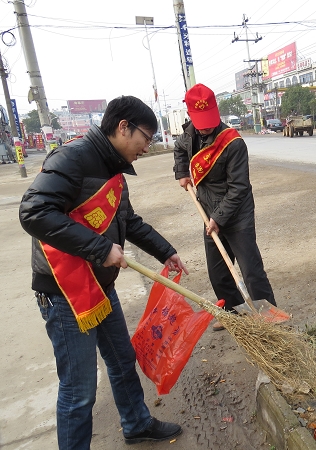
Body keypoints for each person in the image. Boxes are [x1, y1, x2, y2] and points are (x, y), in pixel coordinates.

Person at [19, 95, 188, 449]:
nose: (148, 146)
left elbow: (127, 221)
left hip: (102, 284)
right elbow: (34, 212)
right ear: (123, 127)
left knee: (123, 361)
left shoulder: (113, 166)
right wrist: (99, 248)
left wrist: (166, 252)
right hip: (65, 293)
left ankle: (137, 423)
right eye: (146, 136)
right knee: (79, 390)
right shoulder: (72, 158)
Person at [172, 83, 276, 331]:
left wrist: (218, 217)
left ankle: (271, 321)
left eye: (209, 119)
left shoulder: (233, 143)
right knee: (218, 272)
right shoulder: (189, 134)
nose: (205, 125)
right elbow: (179, 150)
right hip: (208, 210)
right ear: (190, 116)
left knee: (251, 270)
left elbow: (239, 188)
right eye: (200, 121)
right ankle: (233, 312)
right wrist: (181, 173)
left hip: (236, 213)